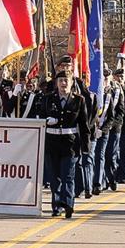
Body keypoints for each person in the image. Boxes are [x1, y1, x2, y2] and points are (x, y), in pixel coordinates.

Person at [38, 71, 87, 217]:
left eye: (66, 80)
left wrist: (85, 146)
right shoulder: (47, 99)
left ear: (71, 83)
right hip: (52, 143)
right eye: (60, 81)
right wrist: (47, 120)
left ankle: (68, 204)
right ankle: (57, 206)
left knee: (68, 176)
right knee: (55, 177)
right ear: (56, 83)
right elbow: (40, 116)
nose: (63, 84)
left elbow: (83, 125)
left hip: (70, 143)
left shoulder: (78, 100)